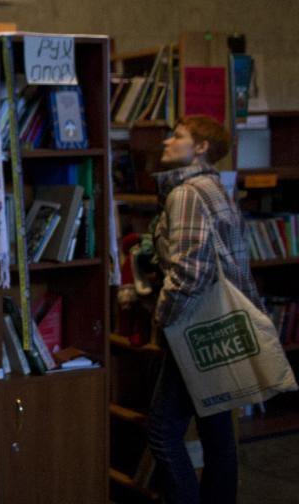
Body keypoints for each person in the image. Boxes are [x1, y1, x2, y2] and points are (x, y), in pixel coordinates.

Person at [147, 115, 264, 504]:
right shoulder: (215, 187)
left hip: (194, 323)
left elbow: (189, 272)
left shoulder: (188, 193)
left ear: (200, 148)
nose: (167, 141)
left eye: (178, 136)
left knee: (163, 433)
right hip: (220, 324)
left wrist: (163, 319)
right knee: (216, 432)